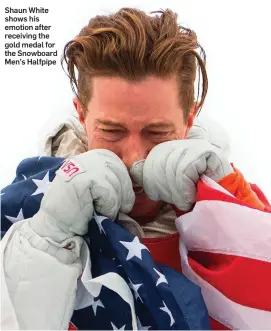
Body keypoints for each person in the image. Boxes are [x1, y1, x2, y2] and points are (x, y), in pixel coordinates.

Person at [1, 8, 271, 331]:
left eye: (157, 134)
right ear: (81, 114)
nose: (133, 158)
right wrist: (48, 239)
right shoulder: (25, 211)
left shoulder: (242, 217)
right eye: (112, 132)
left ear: (189, 121)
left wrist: (228, 197)